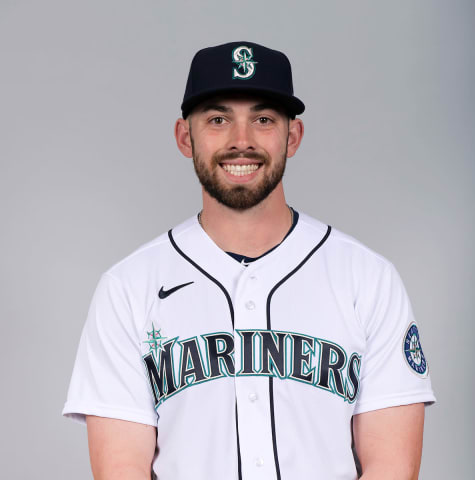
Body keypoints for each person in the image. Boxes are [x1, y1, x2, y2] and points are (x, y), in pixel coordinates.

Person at [63, 41, 436, 479]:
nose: (242, 142)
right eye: (218, 120)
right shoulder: (128, 287)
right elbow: (120, 470)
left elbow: (392, 469)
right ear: (186, 137)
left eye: (263, 120)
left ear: (292, 136)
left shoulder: (368, 279)